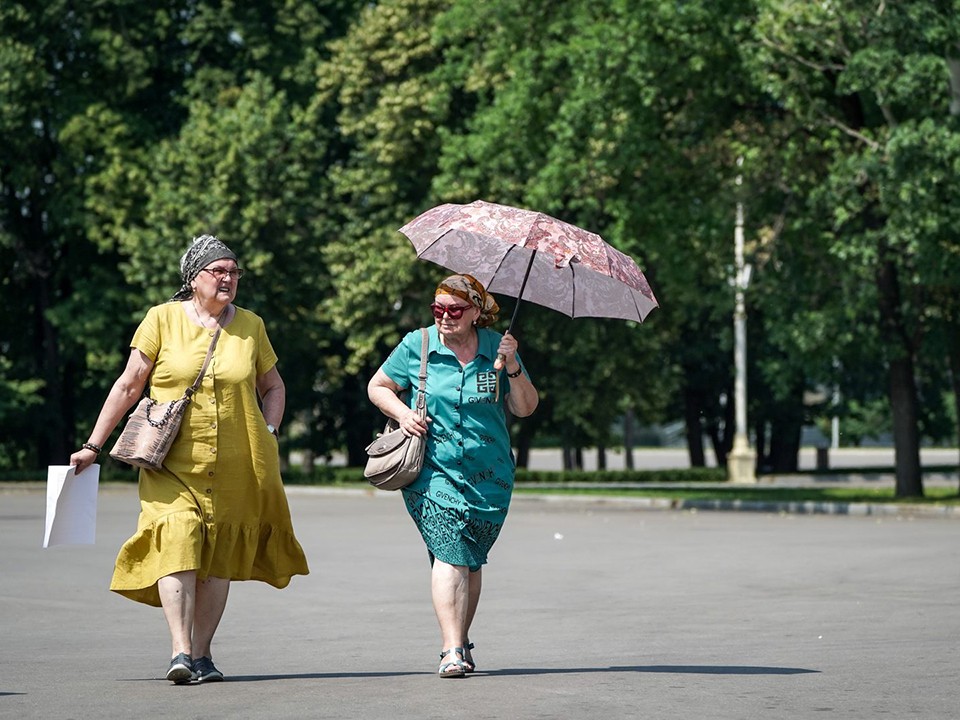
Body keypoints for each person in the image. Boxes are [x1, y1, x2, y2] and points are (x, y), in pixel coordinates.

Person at [70, 235, 309, 685]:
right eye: (218, 271)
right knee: (178, 539)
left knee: (217, 555)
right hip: (171, 462)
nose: (228, 279)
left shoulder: (252, 326)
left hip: (239, 461)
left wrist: (271, 432)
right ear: (193, 277)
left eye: (234, 272)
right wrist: (93, 444)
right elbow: (129, 384)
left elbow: (273, 386)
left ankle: (203, 656)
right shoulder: (161, 319)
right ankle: (180, 651)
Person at [367, 273, 539, 678]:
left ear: (476, 312)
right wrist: (404, 413)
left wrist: (512, 366)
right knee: (452, 553)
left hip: (491, 476)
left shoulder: (500, 347)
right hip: (432, 471)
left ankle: (461, 639)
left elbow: (526, 407)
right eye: (438, 309)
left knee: (471, 560)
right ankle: (451, 650)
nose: (445, 317)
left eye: (455, 310)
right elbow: (378, 386)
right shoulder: (418, 344)